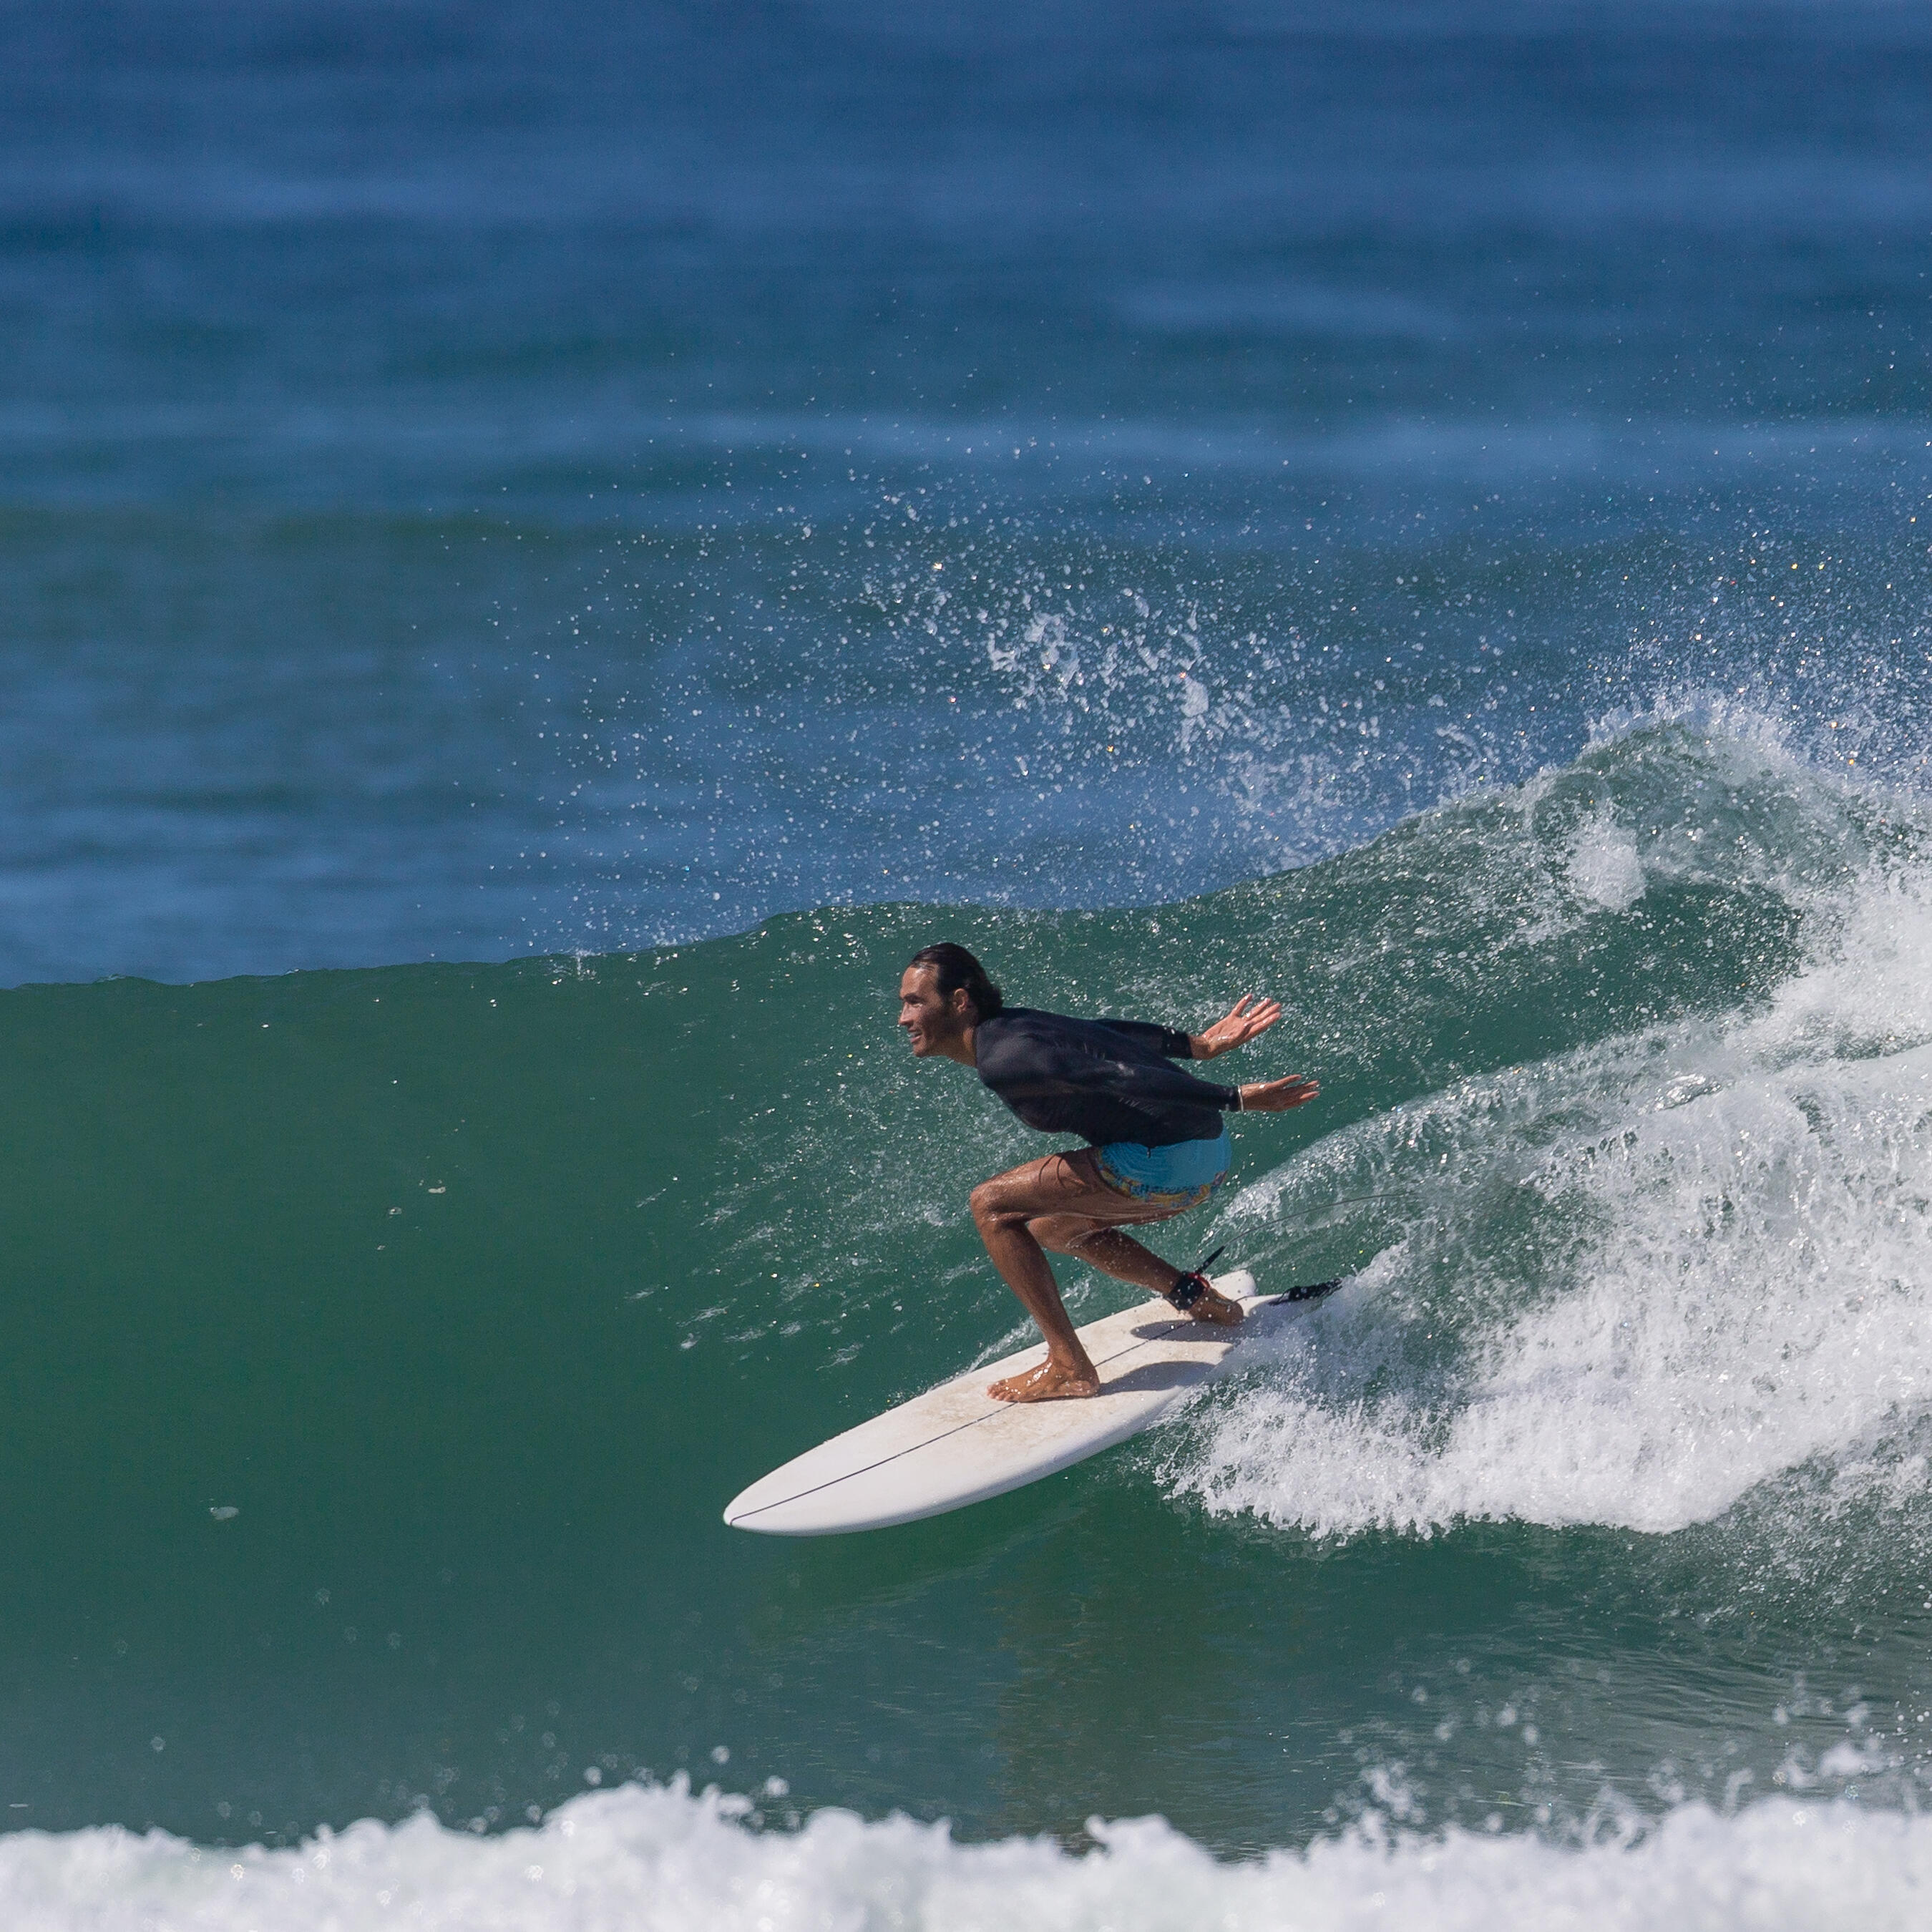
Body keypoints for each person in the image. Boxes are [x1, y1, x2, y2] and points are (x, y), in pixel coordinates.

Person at [897, 942, 1319, 1403]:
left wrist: (1233, 1097)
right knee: (1054, 1229)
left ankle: (1068, 1367)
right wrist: (1195, 1045)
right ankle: (1197, 1298)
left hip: (1162, 1163)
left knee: (990, 1205)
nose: (904, 1018)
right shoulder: (1014, 1027)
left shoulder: (1005, 1058)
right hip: (1206, 1155)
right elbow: (1102, 1034)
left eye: (915, 1002)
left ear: (959, 1002)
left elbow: (1113, 1074)